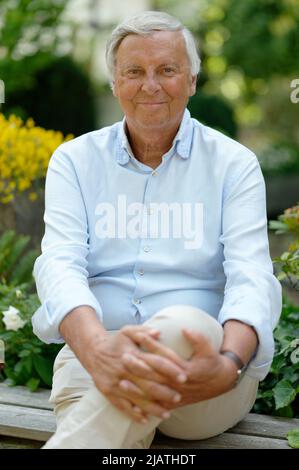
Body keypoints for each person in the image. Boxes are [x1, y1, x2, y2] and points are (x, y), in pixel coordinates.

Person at [32, 11, 282, 449]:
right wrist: (97, 351)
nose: (150, 85)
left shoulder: (233, 165)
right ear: (115, 83)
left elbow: (252, 277)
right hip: (93, 365)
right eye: (134, 72)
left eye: (167, 70)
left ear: (192, 81)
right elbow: (59, 265)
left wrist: (227, 365)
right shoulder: (73, 161)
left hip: (203, 375)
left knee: (180, 323)